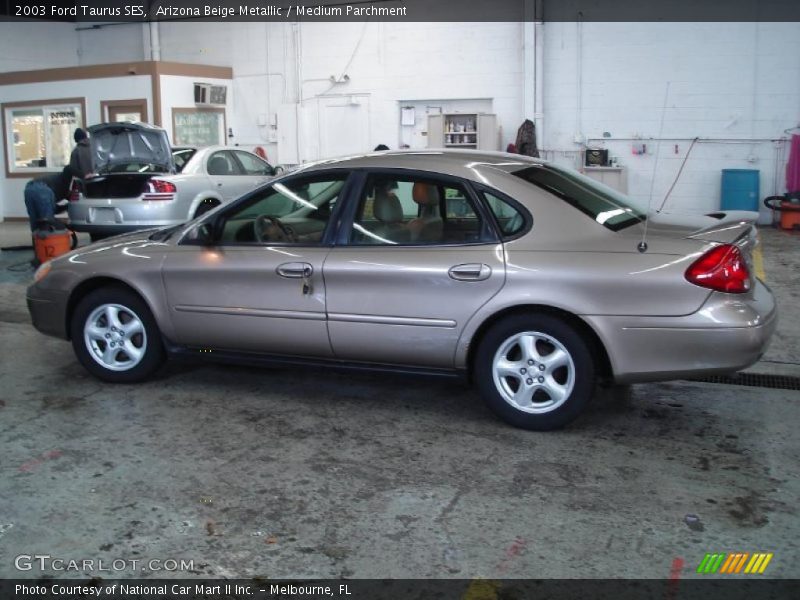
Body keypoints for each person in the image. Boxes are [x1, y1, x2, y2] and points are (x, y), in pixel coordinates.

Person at [24, 166, 72, 232]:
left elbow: (52, 208)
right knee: (46, 220)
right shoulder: (64, 188)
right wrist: (67, 207)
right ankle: (47, 240)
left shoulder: (57, 182)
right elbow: (50, 211)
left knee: (34, 219)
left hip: (29, 188)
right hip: (42, 188)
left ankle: (37, 241)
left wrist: (65, 207)